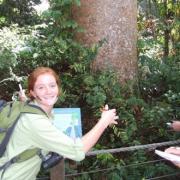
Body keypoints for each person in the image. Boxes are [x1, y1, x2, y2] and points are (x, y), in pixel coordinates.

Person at [0, 67, 118, 180]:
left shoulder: (30, 107)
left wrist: (25, 99)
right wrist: (103, 122)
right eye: (41, 87)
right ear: (33, 92)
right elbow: (77, 151)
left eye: (52, 85)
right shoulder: (35, 122)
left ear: (58, 88)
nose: (48, 91)